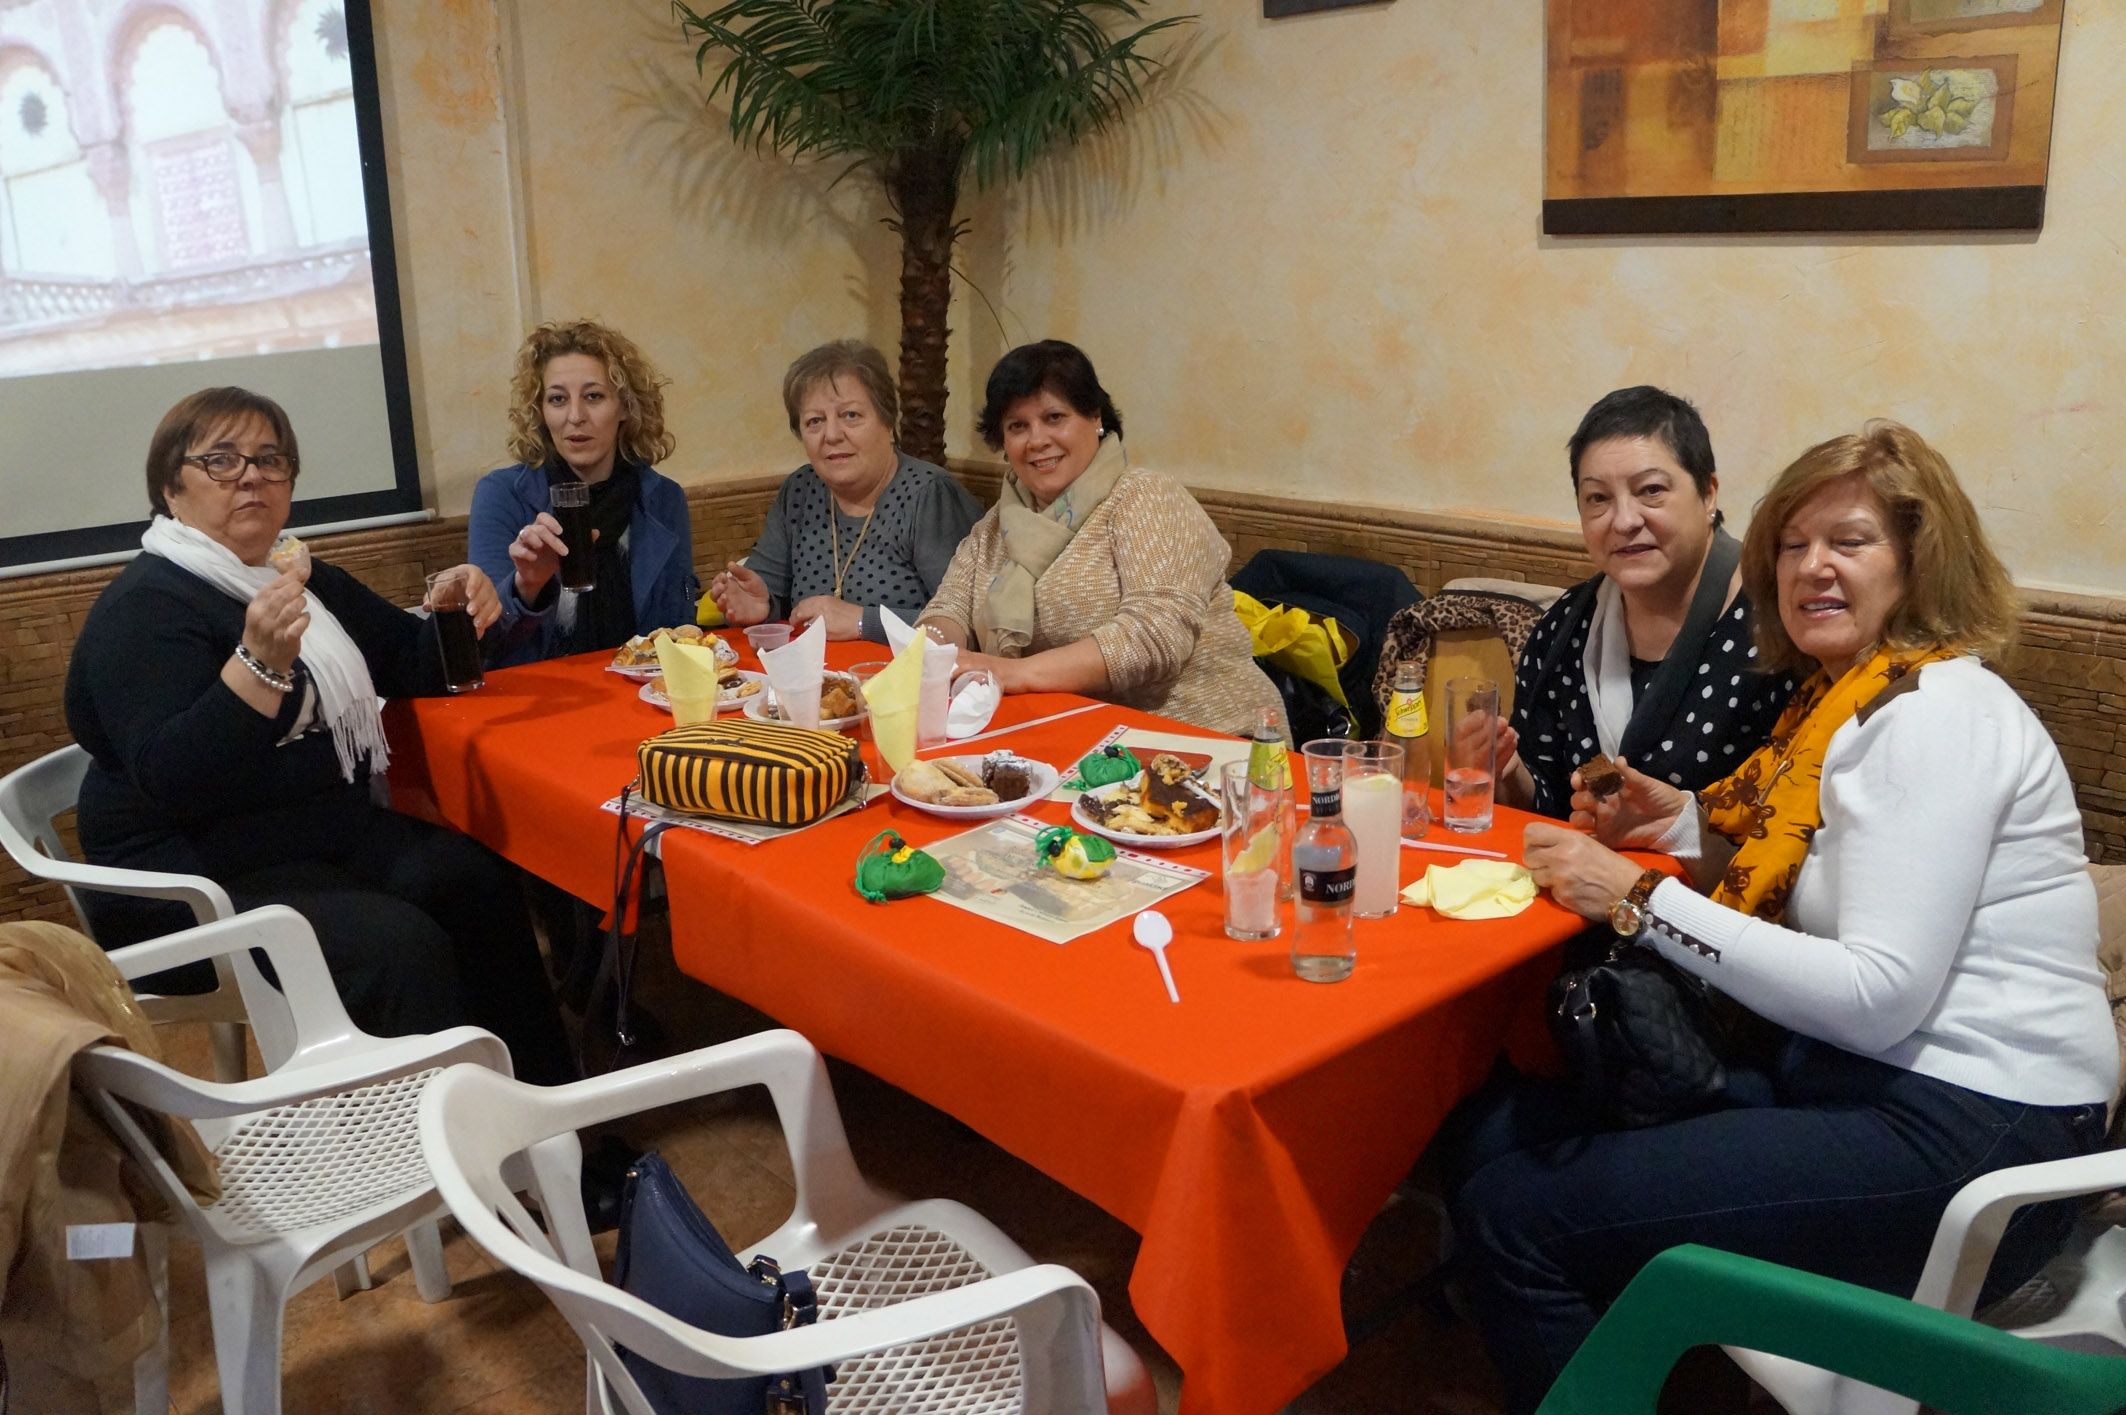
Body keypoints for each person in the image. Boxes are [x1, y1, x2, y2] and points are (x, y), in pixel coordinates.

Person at [1443, 421, 2116, 1414]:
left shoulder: (1931, 719)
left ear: (1917, 559)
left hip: (1973, 1129)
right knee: (1497, 1129)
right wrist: (1669, 821)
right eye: (1791, 547)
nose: (1811, 569)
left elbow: (1874, 993)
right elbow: (1815, 856)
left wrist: (1633, 895)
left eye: (1847, 542)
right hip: (1864, 1083)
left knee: (1513, 1217)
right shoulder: (1843, 705)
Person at [65, 387, 575, 1087]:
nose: (251, 475)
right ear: (168, 487)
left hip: (300, 834)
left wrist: (465, 610)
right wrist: (255, 670)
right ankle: (439, 1162)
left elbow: (412, 660)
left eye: (270, 460)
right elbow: (175, 779)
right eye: (221, 460)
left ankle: (551, 1117)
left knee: (474, 878)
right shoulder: (146, 606)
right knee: (401, 947)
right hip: (184, 880)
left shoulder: (296, 575)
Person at [917, 340, 1283, 736]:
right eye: (1017, 426)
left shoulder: (1145, 497)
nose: (1036, 439)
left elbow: (1152, 638)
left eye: (1054, 417)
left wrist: (1016, 673)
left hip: (1208, 738)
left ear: (1095, 418)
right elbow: (950, 606)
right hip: (1069, 738)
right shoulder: (997, 523)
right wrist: (932, 652)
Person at [1498, 387, 1795, 819]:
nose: (1624, 520)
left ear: (1709, 494)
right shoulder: (1565, 628)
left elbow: (1792, 822)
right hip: (1576, 878)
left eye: (1651, 490)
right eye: (1598, 498)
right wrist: (1506, 771)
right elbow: (1551, 804)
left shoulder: (1778, 626)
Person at [709, 340, 982, 642]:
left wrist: (865, 621)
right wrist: (761, 606)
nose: (832, 435)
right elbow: (766, 593)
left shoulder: (928, 495)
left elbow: (970, 622)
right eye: (815, 422)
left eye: (850, 415)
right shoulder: (800, 490)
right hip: (820, 679)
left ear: (888, 422)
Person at [470, 320, 698, 666]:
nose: (575, 416)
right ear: (541, 412)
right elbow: (485, 645)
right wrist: (527, 587)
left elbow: (679, 633)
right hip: (542, 700)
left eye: (593, 396)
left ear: (624, 407)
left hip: (641, 695)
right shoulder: (501, 495)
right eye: (558, 399)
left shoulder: (663, 499)